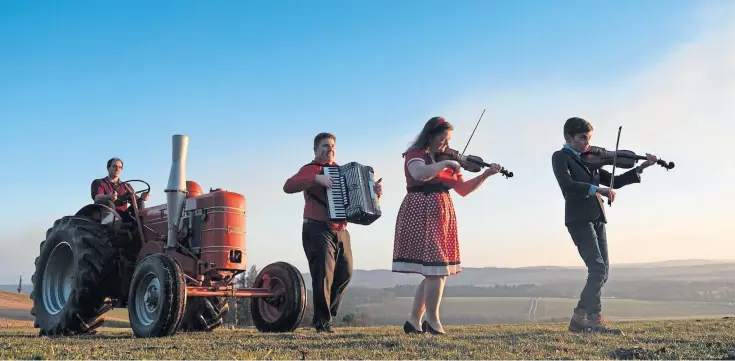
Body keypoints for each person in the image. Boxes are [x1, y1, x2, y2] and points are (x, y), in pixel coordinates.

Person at [392, 116, 502, 335]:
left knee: (433, 271)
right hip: (420, 210)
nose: (446, 145)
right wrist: (445, 164)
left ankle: (414, 321)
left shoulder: (450, 160)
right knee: (437, 269)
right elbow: (419, 174)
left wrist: (486, 174)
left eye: (448, 140)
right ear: (430, 136)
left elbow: (463, 190)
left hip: (442, 213)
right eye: (442, 139)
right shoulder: (416, 155)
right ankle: (433, 320)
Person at [551, 117, 658, 335]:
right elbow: (568, 185)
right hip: (578, 217)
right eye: (582, 138)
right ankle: (585, 317)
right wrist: (597, 190)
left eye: (589, 138)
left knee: (604, 271)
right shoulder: (560, 157)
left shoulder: (593, 161)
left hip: (598, 217)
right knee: (598, 268)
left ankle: (588, 319)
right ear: (568, 137)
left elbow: (615, 182)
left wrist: (643, 166)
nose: (587, 143)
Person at [283, 132, 383, 333]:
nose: (330, 149)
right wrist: (316, 179)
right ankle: (323, 322)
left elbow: (355, 197)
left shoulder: (342, 171)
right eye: (326, 146)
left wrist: (374, 192)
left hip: (341, 230)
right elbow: (288, 186)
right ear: (316, 149)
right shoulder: (310, 169)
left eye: (333, 146)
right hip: (317, 227)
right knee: (323, 276)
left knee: (346, 273)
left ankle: (327, 314)